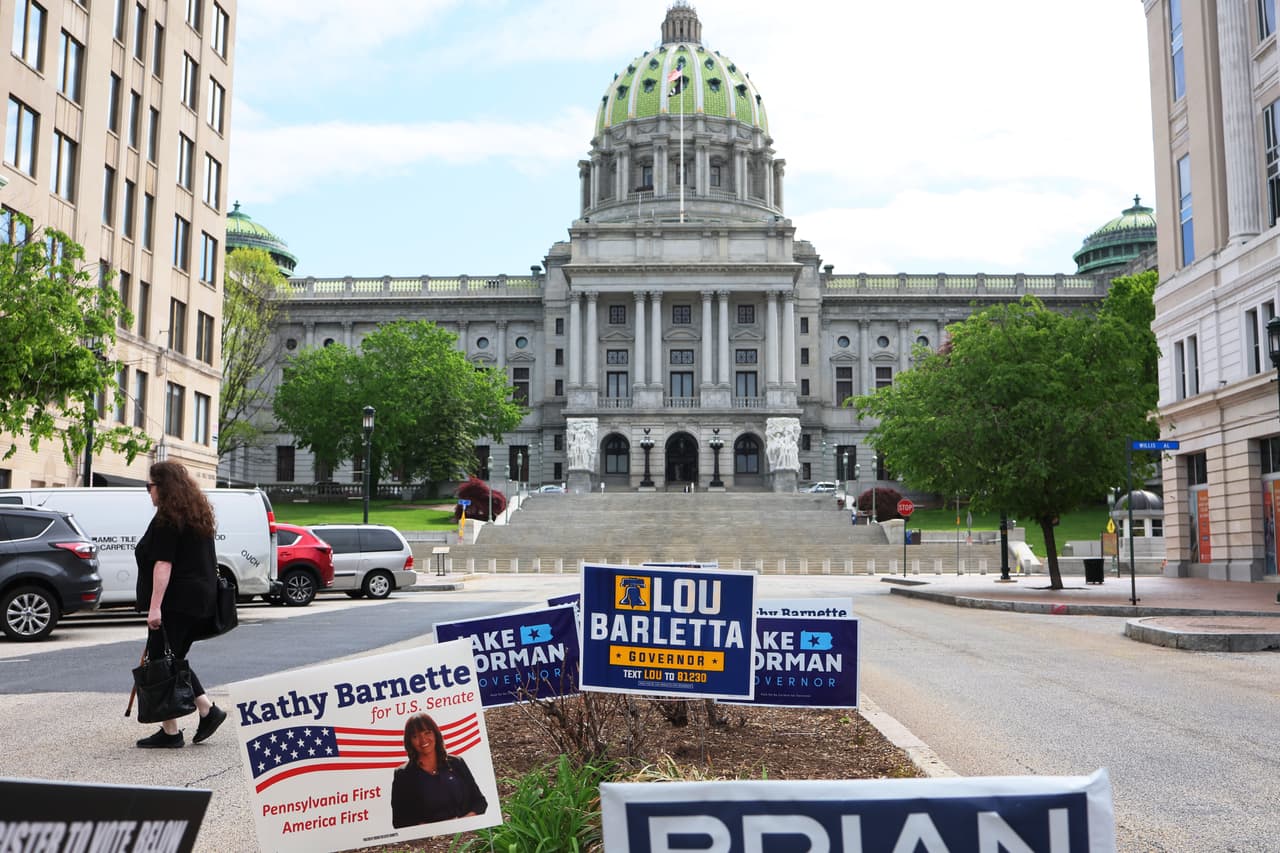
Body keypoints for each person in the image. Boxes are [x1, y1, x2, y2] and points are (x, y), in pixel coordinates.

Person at [133, 461, 227, 749]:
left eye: (150, 486)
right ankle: (193, 718)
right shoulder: (196, 514)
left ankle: (184, 724)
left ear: (162, 487)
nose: (148, 492)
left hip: (176, 601)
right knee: (172, 659)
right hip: (198, 598)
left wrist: (155, 607)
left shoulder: (168, 519)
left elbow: (163, 564)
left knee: (164, 658)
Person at [390, 713, 488, 827]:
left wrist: (462, 823)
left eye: (427, 733)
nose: (423, 740)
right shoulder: (403, 774)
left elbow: (480, 802)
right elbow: (399, 821)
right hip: (430, 840)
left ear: (436, 734)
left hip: (466, 832)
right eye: (415, 736)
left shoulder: (456, 763)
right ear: (409, 741)